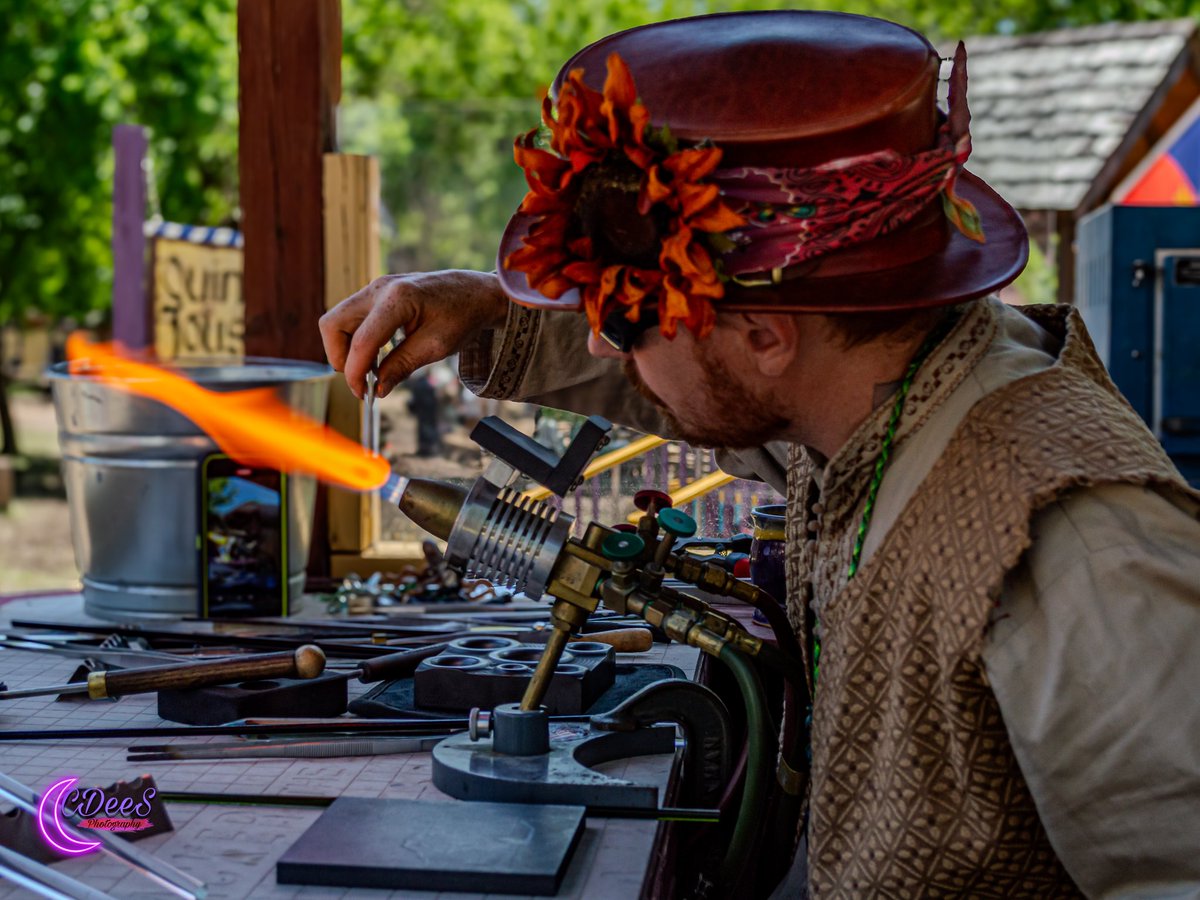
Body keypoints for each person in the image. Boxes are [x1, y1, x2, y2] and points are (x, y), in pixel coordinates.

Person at [320, 11, 1200, 897]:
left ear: (769, 335)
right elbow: (698, 382)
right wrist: (485, 306)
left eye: (623, 318)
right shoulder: (866, 406)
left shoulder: (1076, 549)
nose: (597, 345)